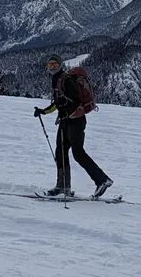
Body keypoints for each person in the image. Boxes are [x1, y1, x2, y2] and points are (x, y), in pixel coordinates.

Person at [33, 54, 112, 199]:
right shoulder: (57, 79)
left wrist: (65, 107)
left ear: (60, 65)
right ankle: (63, 186)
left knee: (78, 153)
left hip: (75, 121)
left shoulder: (67, 80)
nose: (52, 67)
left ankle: (102, 180)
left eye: (55, 64)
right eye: (50, 65)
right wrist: (44, 111)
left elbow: (76, 100)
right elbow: (58, 103)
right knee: (60, 153)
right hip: (66, 121)